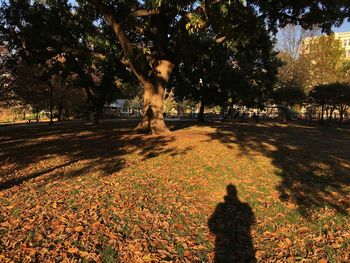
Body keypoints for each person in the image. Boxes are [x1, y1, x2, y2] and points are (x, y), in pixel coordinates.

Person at [208, 184, 256, 263]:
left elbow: (211, 223)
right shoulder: (244, 206)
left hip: (224, 247)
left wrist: (218, 232)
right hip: (243, 245)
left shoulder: (221, 206)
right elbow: (252, 220)